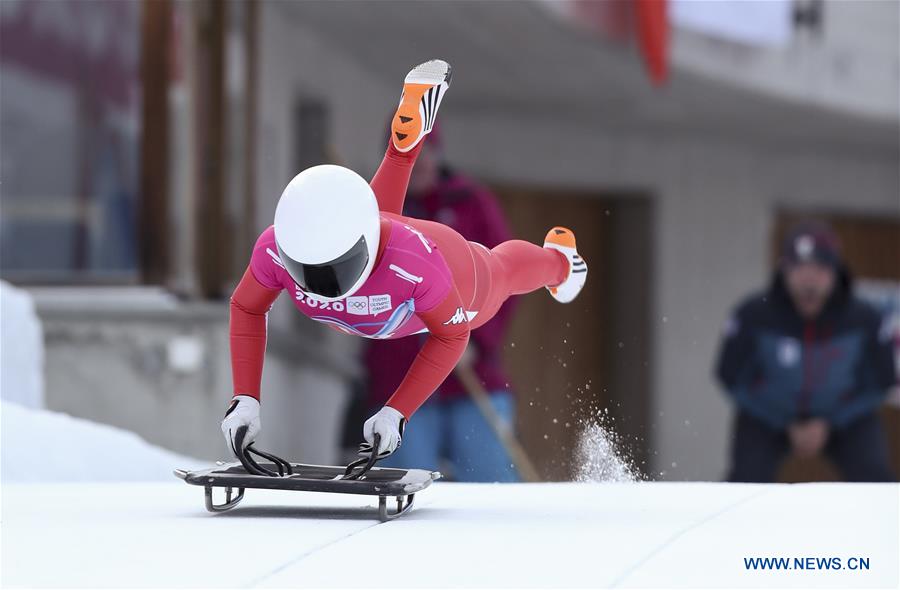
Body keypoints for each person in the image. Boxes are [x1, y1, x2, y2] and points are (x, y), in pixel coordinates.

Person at [221, 60, 588, 462]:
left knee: (498, 272)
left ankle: (561, 263)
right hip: (389, 257)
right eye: (307, 270)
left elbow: (452, 336)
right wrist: (245, 398)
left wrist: (397, 411)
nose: (323, 286)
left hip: (445, 266)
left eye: (334, 269)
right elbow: (246, 307)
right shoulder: (273, 249)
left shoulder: (412, 263)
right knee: (382, 218)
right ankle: (405, 141)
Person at [362, 120, 520, 481]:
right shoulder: (373, 211)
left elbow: (503, 275)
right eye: (408, 154)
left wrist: (476, 341)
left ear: (438, 153)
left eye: (425, 152)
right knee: (403, 478)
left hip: (470, 377)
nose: (418, 163)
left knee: (490, 478)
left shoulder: (472, 203)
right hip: (399, 377)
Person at [715, 220, 897, 482]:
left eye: (820, 269)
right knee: (744, 481)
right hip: (768, 419)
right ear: (784, 270)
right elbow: (731, 375)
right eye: (799, 268)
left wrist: (832, 420)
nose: (809, 280)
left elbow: (881, 381)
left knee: (875, 481)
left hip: (846, 419)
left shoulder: (865, 318)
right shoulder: (753, 314)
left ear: (836, 272)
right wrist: (780, 418)